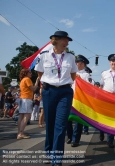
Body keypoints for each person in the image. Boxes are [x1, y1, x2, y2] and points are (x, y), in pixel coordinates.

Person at [35, 30, 77, 166]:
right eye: (65, 40)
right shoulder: (44, 56)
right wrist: (51, 83)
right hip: (49, 92)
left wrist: (62, 83)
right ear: (56, 40)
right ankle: (49, 151)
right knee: (51, 125)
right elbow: (40, 73)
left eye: (68, 41)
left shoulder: (70, 57)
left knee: (60, 125)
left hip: (65, 92)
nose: (67, 43)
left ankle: (56, 159)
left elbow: (73, 75)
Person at [66, 55, 89, 147]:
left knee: (78, 120)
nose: (76, 64)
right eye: (76, 62)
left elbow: (88, 87)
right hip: (70, 97)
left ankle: (76, 139)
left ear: (82, 64)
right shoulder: (71, 73)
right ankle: (70, 136)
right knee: (68, 118)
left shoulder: (86, 75)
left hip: (79, 99)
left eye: (78, 62)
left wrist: (80, 78)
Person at [17, 69, 40, 139]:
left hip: (22, 98)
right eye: (29, 72)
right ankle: (21, 133)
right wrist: (37, 81)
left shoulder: (22, 80)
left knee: (21, 116)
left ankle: (20, 132)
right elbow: (33, 89)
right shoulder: (27, 79)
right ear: (26, 73)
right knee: (26, 116)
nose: (31, 73)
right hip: (26, 99)